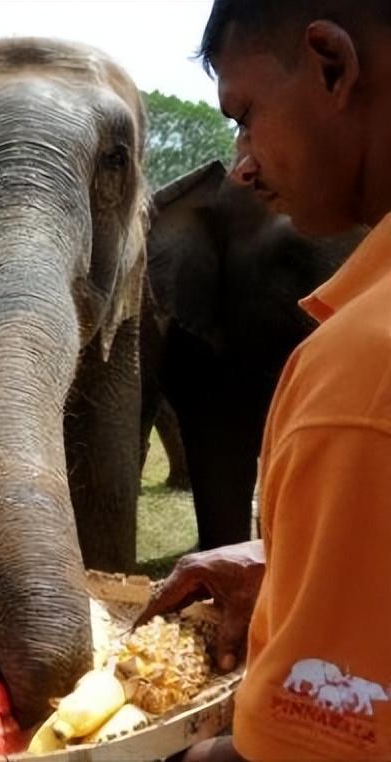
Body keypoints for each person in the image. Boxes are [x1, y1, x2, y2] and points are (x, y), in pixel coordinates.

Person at [136, 2, 391, 760]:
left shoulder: (361, 368)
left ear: (331, 65)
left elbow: (311, 751)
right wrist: (288, 568)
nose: (241, 162)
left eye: (244, 115)